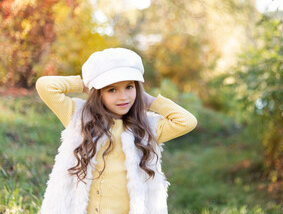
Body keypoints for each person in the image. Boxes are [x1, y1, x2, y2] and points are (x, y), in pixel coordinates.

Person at [36, 48, 197, 214]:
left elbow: (187, 121)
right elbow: (45, 86)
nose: (123, 97)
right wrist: (87, 84)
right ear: (98, 93)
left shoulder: (147, 127)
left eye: (129, 87)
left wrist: (150, 101)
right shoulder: (79, 117)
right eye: (111, 89)